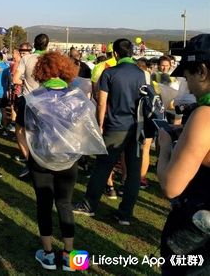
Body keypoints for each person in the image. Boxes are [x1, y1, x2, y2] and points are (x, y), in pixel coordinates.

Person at [24, 52, 104, 271]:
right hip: (69, 158)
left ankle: (48, 254)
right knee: (65, 203)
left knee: (44, 203)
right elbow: (84, 127)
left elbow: (29, 130)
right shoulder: (78, 97)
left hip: (41, 158)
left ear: (40, 70)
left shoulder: (33, 98)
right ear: (66, 70)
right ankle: (70, 256)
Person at [73, 38, 147, 225]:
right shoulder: (142, 73)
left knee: (103, 167)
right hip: (137, 127)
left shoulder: (109, 73)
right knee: (132, 172)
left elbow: (102, 103)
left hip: (115, 126)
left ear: (115, 54)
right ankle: (125, 214)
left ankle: (89, 205)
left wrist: (99, 124)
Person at [157, 34, 210, 275]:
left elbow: (171, 186)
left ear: (201, 71)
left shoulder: (204, 115)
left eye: (188, 76)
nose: (187, 85)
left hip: (198, 236)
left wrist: (166, 145)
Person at [13, 34, 49, 178]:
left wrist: (27, 83)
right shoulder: (52, 59)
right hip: (47, 101)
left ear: (34, 44)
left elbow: (15, 79)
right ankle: (43, 162)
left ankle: (30, 161)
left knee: (21, 130)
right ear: (47, 45)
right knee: (42, 133)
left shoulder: (26, 59)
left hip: (28, 100)